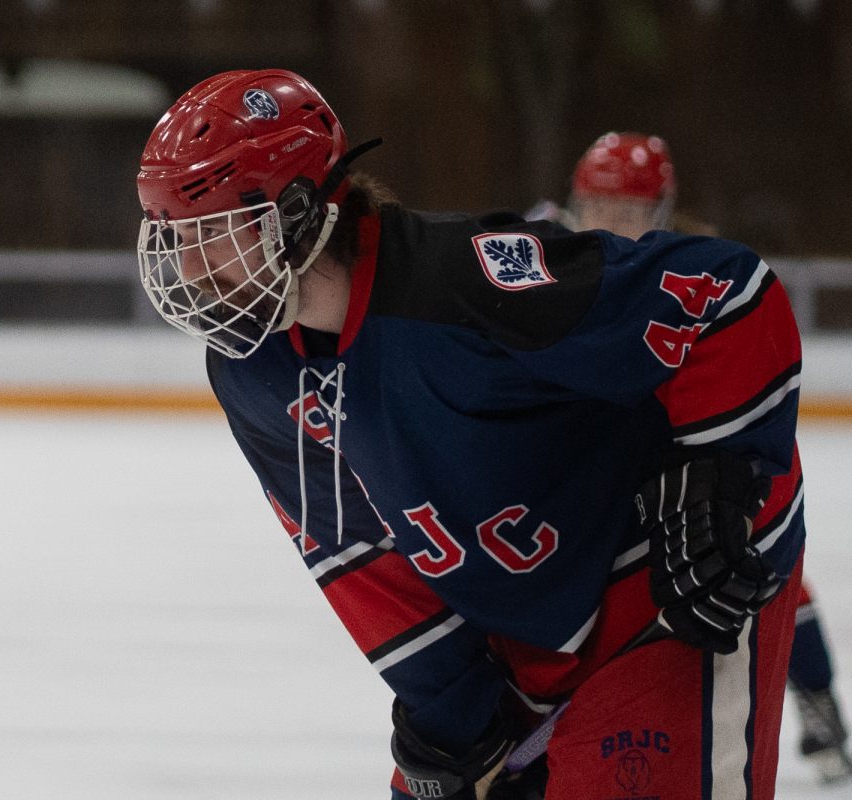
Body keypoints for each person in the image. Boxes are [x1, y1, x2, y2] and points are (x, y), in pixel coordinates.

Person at [135, 70, 807, 799]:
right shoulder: (253, 371)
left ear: (297, 213)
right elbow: (353, 552)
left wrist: (716, 484)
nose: (189, 269)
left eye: (210, 234)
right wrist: (452, 711)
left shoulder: (463, 284)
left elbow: (728, 295)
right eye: (172, 237)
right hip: (525, 627)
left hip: (660, 578)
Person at [565, 131, 851, 786]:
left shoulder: (708, 272)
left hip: (707, 453)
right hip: (619, 458)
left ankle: (818, 699)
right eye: (600, 205)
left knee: (760, 563)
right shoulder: (555, 260)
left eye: (630, 211)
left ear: (661, 210)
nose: (613, 224)